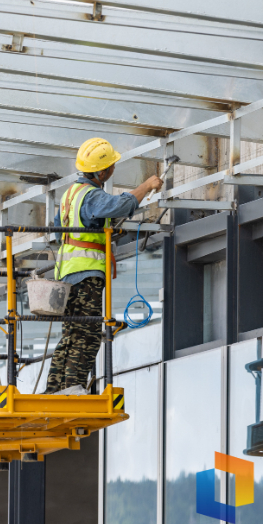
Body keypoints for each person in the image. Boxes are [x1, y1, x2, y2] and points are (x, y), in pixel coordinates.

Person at [44, 138, 163, 395]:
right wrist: (146, 185)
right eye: (110, 166)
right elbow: (117, 205)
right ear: (101, 171)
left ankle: (55, 389)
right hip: (85, 274)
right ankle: (73, 388)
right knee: (87, 335)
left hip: (66, 276)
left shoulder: (69, 196)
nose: (112, 170)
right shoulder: (91, 195)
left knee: (71, 335)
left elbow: (58, 230)